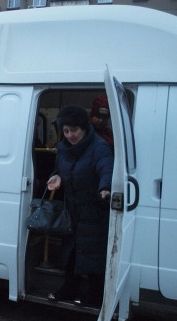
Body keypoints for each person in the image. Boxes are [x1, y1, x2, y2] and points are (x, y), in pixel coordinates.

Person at [46, 105, 113, 307]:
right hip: (73, 210)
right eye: (66, 131)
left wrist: (105, 188)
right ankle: (68, 289)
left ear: (84, 128)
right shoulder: (64, 148)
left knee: (94, 255)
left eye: (74, 130)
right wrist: (56, 177)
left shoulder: (99, 147)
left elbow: (106, 167)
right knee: (71, 253)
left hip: (94, 210)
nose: (70, 135)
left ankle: (95, 294)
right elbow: (58, 169)